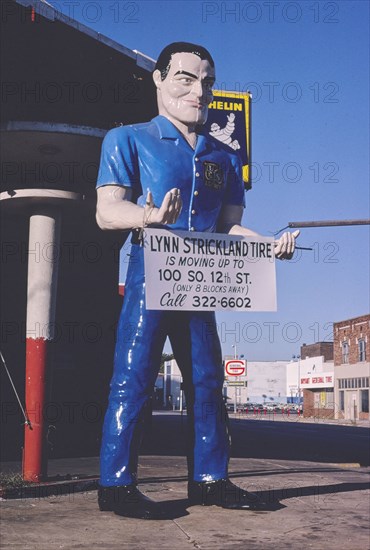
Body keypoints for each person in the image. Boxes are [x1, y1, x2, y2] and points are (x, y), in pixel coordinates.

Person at [95, 42, 299, 519]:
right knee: (134, 375)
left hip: (200, 281)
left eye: (206, 80)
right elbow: (107, 211)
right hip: (152, 272)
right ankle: (116, 484)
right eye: (186, 78)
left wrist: (267, 244)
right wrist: (147, 215)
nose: (198, 89)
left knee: (207, 380)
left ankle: (210, 479)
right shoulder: (127, 139)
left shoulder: (223, 158)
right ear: (159, 79)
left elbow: (228, 226)